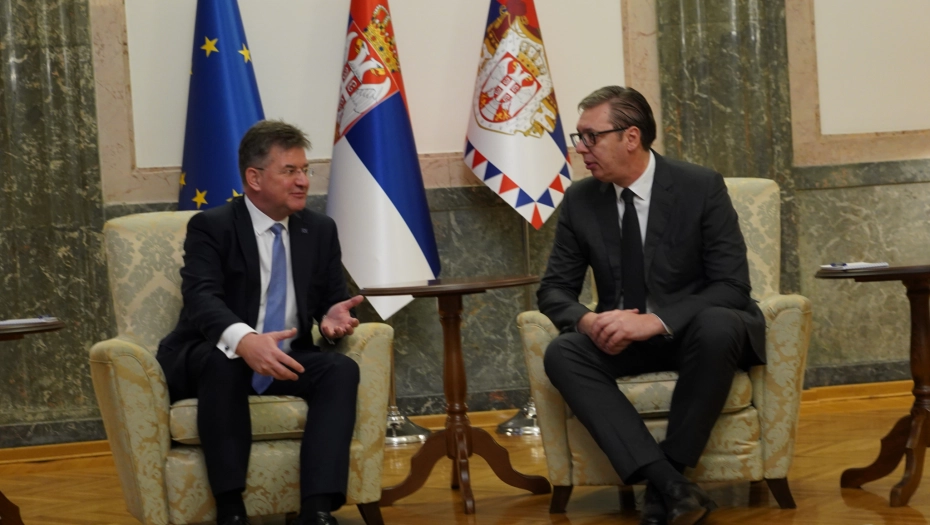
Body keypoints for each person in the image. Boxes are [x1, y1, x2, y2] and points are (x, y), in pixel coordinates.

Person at [539, 86, 766, 525]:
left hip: (695, 335)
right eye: (579, 137)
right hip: (622, 339)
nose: (581, 148)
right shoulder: (582, 200)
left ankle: (669, 475)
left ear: (631, 137)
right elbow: (554, 290)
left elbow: (732, 285)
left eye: (591, 137)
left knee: (720, 324)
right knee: (563, 352)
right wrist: (588, 321)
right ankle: (673, 487)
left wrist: (657, 321)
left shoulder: (699, 186)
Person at [157, 120, 363, 525]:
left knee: (340, 370)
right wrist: (245, 340)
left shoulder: (319, 229)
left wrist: (332, 319)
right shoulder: (213, 226)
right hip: (211, 356)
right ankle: (231, 509)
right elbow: (201, 298)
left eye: (305, 170)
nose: (303, 181)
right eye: (289, 171)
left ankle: (316, 509)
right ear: (254, 178)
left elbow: (330, 301)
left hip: (284, 357)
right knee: (225, 359)